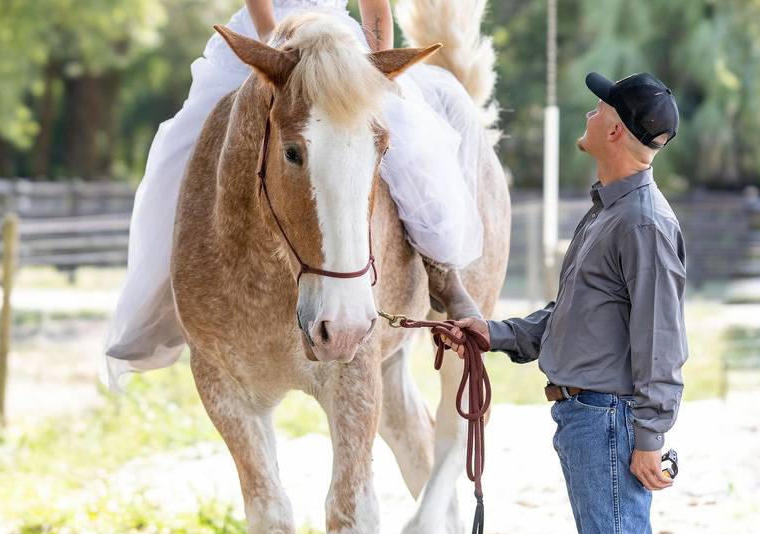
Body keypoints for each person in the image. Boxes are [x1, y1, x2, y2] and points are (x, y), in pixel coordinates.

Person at [102, 0, 490, 388]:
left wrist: (374, 73)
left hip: (338, 47)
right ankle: (157, 298)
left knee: (412, 147)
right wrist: (278, 49)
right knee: (180, 148)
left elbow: (376, 9)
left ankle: (443, 272)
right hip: (271, 38)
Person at [445, 71, 687, 534]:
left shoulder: (642, 223)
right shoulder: (609, 212)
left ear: (615, 131)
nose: (590, 112)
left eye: (600, 107)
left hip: (608, 422)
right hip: (589, 418)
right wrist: (491, 332)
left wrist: (651, 436)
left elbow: (663, 341)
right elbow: (572, 315)